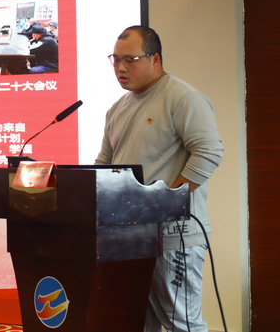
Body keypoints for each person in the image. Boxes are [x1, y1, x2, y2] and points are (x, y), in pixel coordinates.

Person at [95, 26, 223, 332]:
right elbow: (104, 164)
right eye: (115, 59)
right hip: (129, 237)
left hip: (174, 235)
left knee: (182, 322)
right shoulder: (117, 108)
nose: (120, 68)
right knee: (138, 320)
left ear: (155, 59)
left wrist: (168, 202)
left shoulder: (182, 97)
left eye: (130, 59)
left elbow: (209, 152)